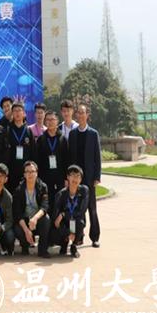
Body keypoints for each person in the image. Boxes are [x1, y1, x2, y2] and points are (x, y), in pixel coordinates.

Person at [68, 104, 101, 248]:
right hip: (75, 178)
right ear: (76, 115)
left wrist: (97, 177)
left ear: (87, 115)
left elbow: (97, 157)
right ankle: (78, 237)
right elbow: (70, 157)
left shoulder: (93, 134)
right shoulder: (72, 134)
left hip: (89, 177)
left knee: (92, 208)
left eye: (83, 113)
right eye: (79, 113)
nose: (81, 115)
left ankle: (95, 237)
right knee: (76, 208)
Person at [13, 161, 51, 258]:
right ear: (24, 174)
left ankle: (42, 250)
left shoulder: (43, 187)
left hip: (37, 220)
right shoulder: (19, 190)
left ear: (36, 173)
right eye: (27, 172)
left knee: (46, 219)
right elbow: (17, 213)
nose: (30, 174)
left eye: (32, 171)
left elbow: (45, 206)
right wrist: (26, 230)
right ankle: (25, 247)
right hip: (25, 220)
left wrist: (35, 219)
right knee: (17, 228)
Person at [51, 165, 90, 258]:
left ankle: (74, 246)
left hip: (76, 221)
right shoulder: (60, 194)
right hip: (64, 224)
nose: (75, 178)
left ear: (81, 179)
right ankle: (64, 243)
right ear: (68, 177)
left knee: (80, 222)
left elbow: (82, 211)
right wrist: (68, 233)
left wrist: (64, 214)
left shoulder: (84, 191)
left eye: (78, 176)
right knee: (56, 228)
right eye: (72, 175)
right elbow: (55, 218)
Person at [36, 110, 69, 208]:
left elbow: (67, 160)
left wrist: (66, 178)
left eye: (52, 119)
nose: (50, 122)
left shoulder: (63, 139)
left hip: (60, 176)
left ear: (57, 121)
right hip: (45, 177)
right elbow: (38, 160)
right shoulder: (41, 139)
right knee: (47, 202)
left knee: (60, 202)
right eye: (48, 120)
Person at [5, 102, 36, 190]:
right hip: (11, 170)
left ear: (24, 113)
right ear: (12, 114)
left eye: (19, 110)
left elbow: (33, 152)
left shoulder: (29, 131)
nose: (17, 113)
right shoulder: (8, 130)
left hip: (26, 171)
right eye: (15, 111)